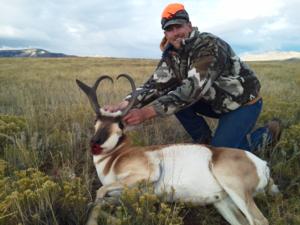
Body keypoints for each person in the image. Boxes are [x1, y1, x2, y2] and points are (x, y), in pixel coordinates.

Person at [104, 3, 282, 152]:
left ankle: (267, 134)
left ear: (189, 25)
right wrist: (125, 104)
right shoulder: (172, 55)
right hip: (215, 103)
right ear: (165, 33)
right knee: (172, 96)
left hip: (242, 104)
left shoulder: (208, 45)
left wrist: (146, 112)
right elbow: (154, 85)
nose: (176, 33)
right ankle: (203, 141)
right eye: (169, 29)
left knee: (222, 153)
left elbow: (194, 89)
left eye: (179, 26)